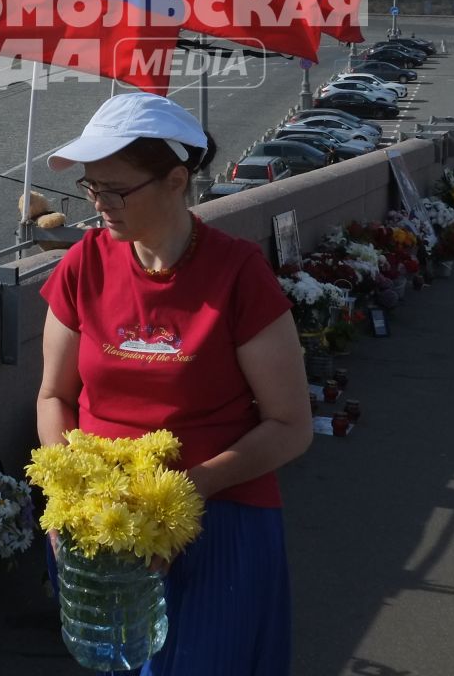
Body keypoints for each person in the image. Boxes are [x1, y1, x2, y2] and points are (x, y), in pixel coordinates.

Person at [37, 94, 312, 670]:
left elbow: (290, 426)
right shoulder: (82, 264)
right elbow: (55, 396)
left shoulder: (237, 275)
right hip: (105, 523)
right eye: (91, 188)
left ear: (176, 180)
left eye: (116, 189)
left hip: (220, 519)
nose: (100, 205)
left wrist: (191, 488)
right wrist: (70, 500)